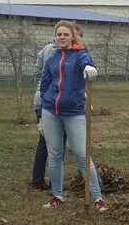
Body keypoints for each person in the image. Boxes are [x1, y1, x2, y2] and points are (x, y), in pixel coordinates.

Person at [39, 20, 105, 211]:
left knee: (83, 155)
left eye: (65, 34)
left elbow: (87, 62)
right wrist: (45, 102)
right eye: (59, 34)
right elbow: (44, 83)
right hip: (51, 112)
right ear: (55, 36)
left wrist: (88, 68)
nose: (62, 38)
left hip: (74, 113)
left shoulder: (80, 54)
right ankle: (57, 195)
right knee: (55, 154)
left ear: (72, 36)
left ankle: (97, 197)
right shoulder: (52, 58)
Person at [30, 37, 57, 190]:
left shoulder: (45, 49)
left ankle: (37, 179)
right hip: (50, 102)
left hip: (39, 99)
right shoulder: (63, 52)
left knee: (44, 142)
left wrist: (41, 85)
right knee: (55, 144)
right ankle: (54, 182)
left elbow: (36, 72)